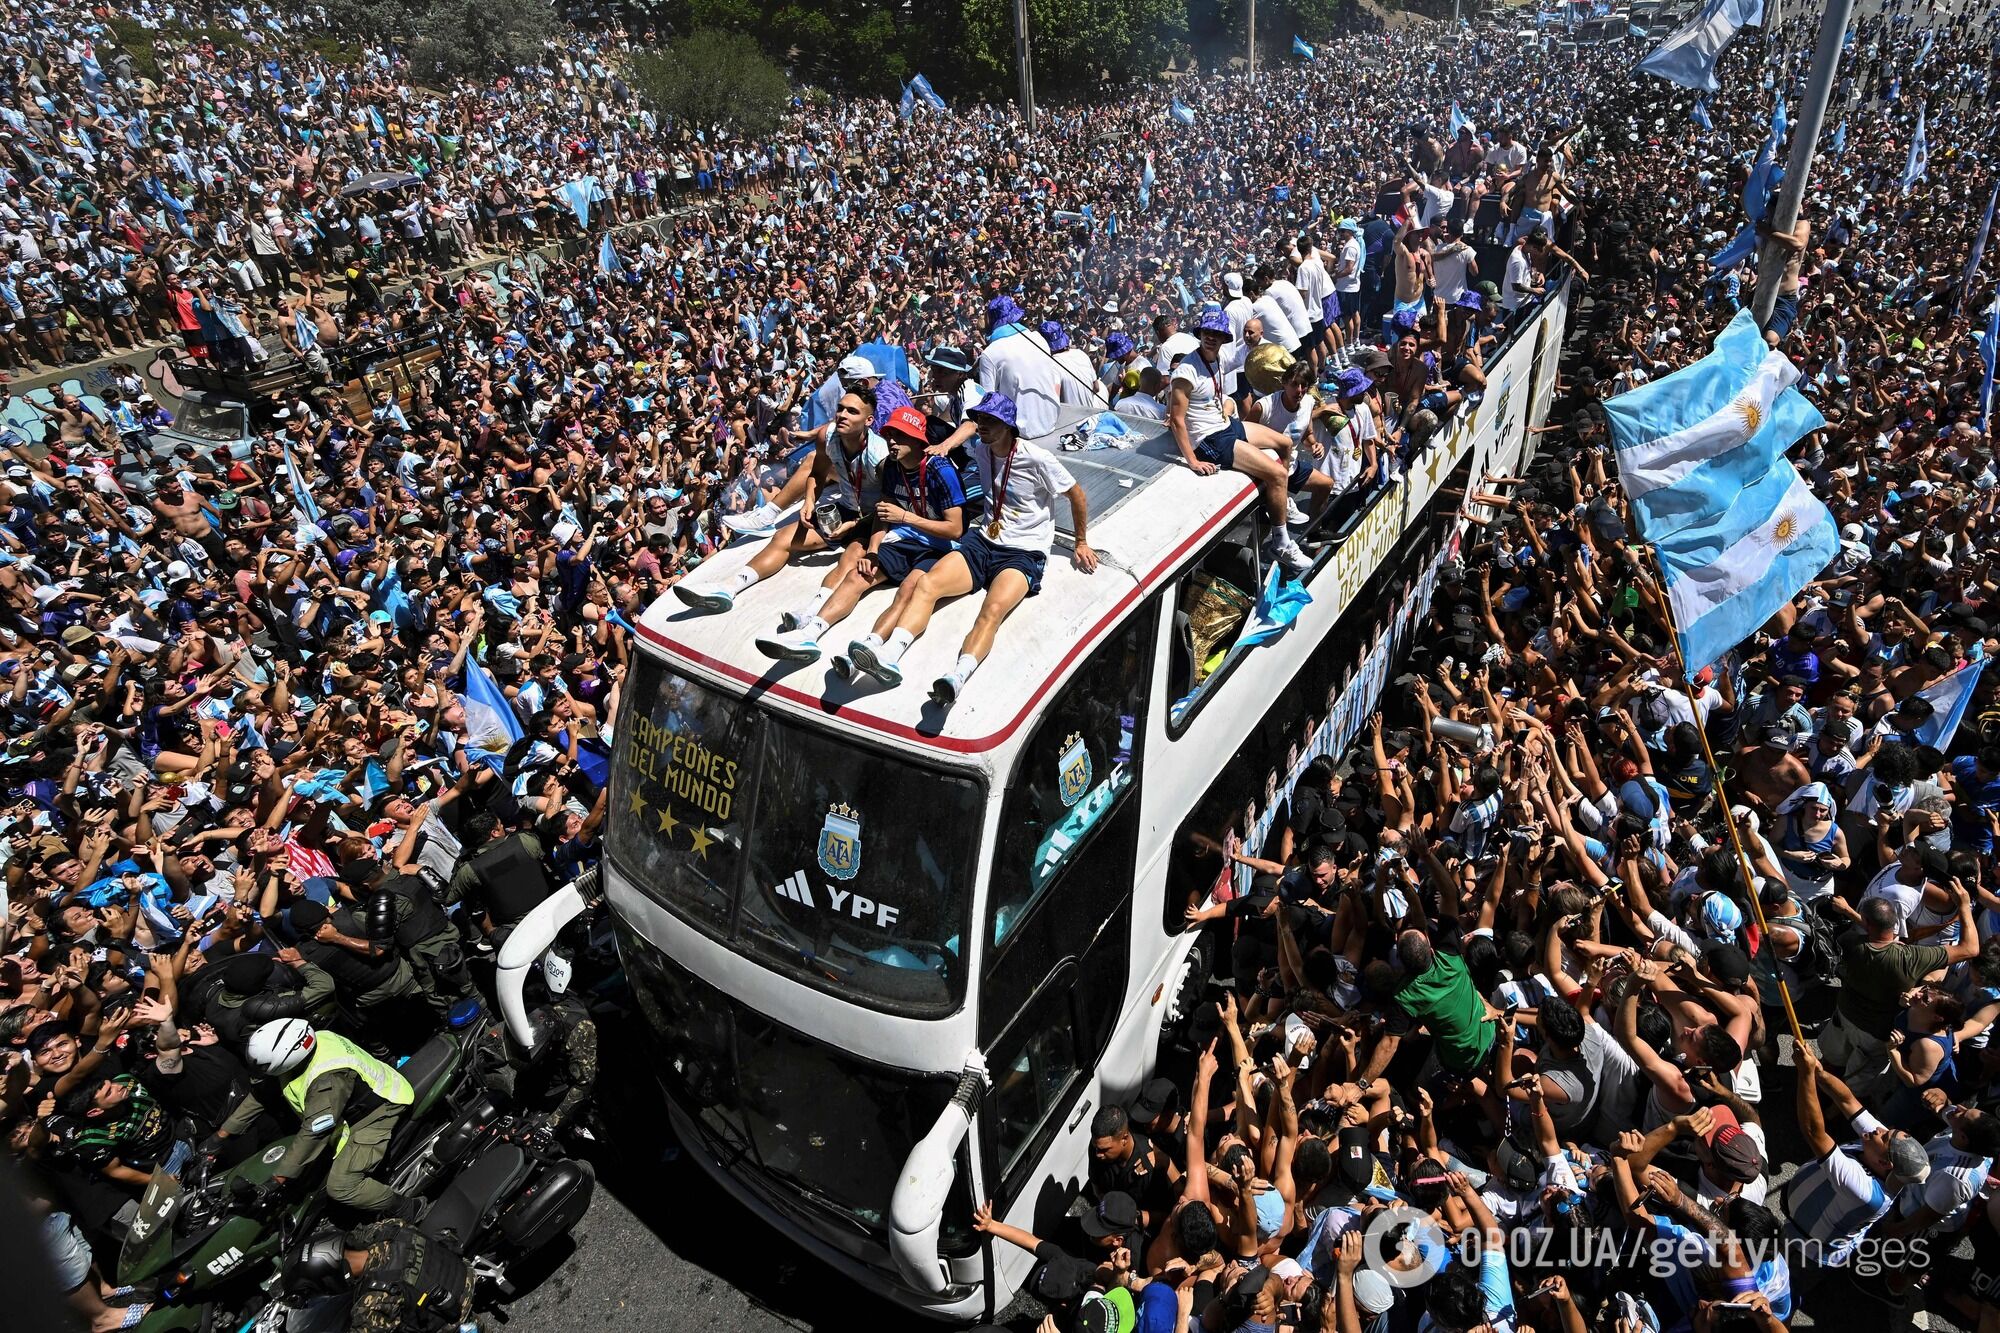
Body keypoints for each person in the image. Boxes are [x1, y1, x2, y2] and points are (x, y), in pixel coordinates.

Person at [840, 393, 1096, 704]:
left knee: (992, 609)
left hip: (1023, 551)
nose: (982, 425)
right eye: (980, 419)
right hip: (983, 541)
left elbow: (1077, 495)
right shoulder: (981, 449)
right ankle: (891, 655)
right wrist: (946, 445)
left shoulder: (1038, 458)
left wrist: (1081, 541)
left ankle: (958, 676)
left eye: (990, 421)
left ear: (1008, 425)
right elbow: (967, 428)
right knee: (927, 584)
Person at [754, 404, 966, 663]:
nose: (891, 441)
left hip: (938, 548)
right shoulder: (892, 465)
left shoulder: (941, 471)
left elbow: (955, 529)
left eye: (899, 436)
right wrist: (874, 551)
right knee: (858, 574)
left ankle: (873, 648)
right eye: (889, 435)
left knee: (909, 590)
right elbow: (882, 513)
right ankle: (809, 634)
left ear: (916, 439)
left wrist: (905, 517)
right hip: (903, 538)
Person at [675, 388, 886, 614]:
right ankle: (728, 588)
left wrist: (854, 525)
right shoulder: (828, 435)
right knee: (782, 537)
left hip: (874, 521)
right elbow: (817, 473)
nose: (842, 415)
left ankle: (811, 615)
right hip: (845, 509)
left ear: (868, 420)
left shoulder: (879, 455)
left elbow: (891, 506)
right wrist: (809, 502)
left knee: (851, 559)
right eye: (840, 408)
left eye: (852, 412)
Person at [209, 1019, 415, 1216]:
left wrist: (277, 1180)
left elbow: (315, 1131)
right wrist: (219, 1136)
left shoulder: (327, 1080)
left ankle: (405, 1207)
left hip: (379, 1112)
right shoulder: (310, 1042)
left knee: (342, 1186)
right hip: (354, 1104)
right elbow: (263, 1093)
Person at [1166, 311, 1313, 575]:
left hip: (1225, 425)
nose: (1211, 338)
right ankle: (1281, 541)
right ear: (1200, 334)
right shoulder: (1187, 371)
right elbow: (1177, 420)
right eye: (1206, 333)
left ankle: (1283, 501)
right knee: (1278, 474)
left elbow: (1247, 355)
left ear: (1223, 338)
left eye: (1216, 334)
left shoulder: (1218, 358)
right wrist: (1193, 460)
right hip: (1209, 439)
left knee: (1285, 444)